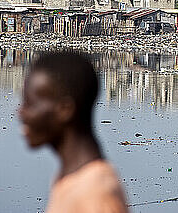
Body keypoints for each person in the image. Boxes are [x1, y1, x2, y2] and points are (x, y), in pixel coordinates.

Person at [19, 51, 129, 213]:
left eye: (30, 104)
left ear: (65, 110)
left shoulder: (94, 194)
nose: (21, 113)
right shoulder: (71, 180)